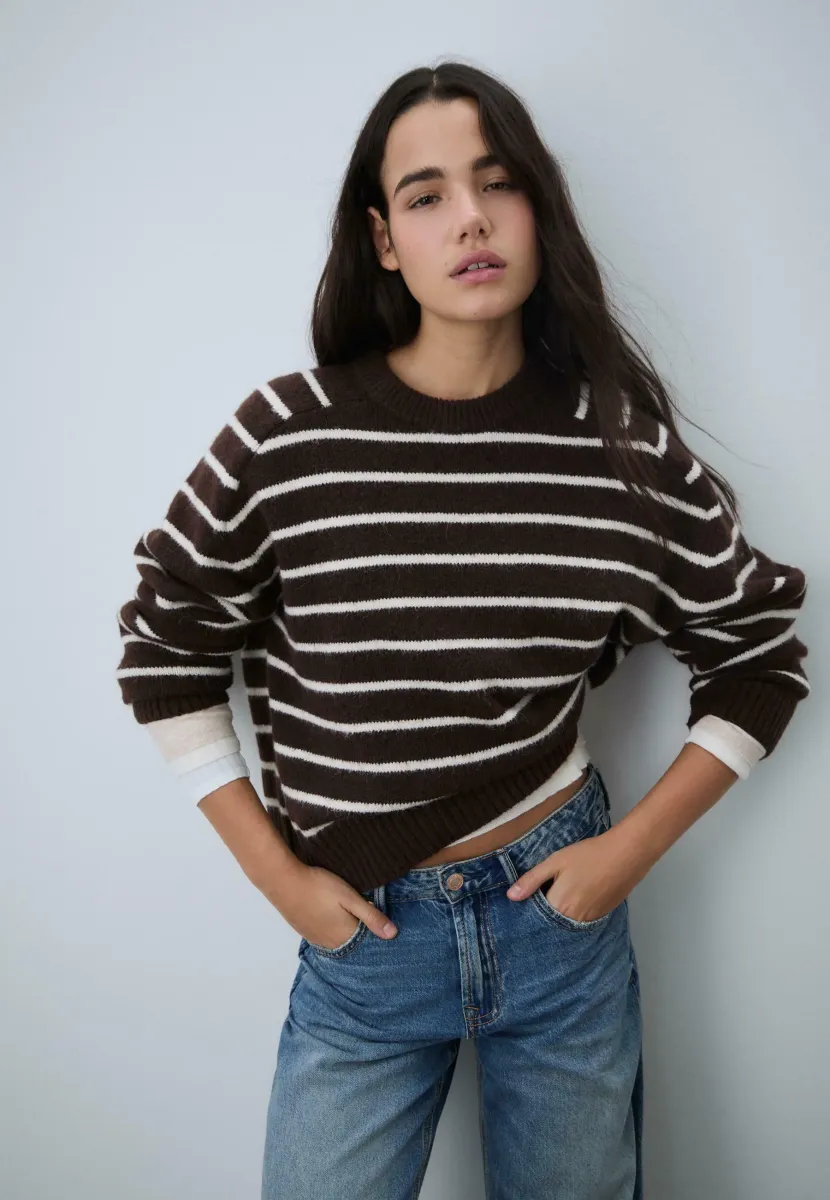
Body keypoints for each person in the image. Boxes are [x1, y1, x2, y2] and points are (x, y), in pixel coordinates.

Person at [114, 61, 810, 1200]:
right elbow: (164, 650)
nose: (471, 219)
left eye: (497, 183)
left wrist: (626, 855)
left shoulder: (617, 451)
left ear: (539, 210)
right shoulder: (288, 435)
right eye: (427, 195)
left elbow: (757, 653)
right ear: (383, 240)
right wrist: (276, 877)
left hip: (561, 923)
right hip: (364, 946)